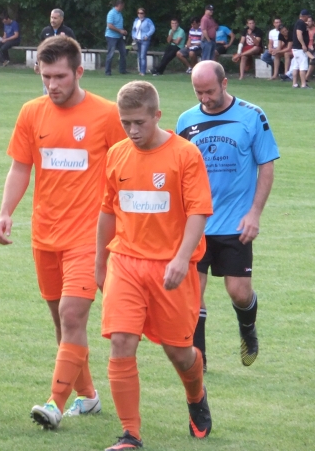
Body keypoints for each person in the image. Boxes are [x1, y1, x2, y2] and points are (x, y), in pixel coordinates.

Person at [0, 35, 125, 431]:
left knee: (71, 314)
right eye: (46, 76)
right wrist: (5, 211)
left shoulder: (107, 115)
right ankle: (88, 396)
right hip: (45, 236)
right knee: (62, 321)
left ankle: (54, 402)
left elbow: (128, 169)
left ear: (79, 72)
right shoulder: (31, 113)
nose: (52, 85)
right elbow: (21, 166)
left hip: (89, 238)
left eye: (60, 77)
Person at [97, 80, 213, 451]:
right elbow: (107, 210)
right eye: (125, 123)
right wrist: (101, 261)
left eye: (139, 123)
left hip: (171, 269)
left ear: (157, 115)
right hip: (126, 262)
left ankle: (195, 395)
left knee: (180, 352)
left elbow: (198, 212)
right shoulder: (116, 155)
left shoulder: (185, 154)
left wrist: (181, 258)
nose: (132, 131)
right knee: (121, 341)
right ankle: (130, 435)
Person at [177, 60, 280, 373]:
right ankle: (199, 363)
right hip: (196, 223)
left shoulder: (252, 116)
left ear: (224, 83)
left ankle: (247, 328)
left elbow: (266, 166)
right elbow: (179, 171)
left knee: (239, 292)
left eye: (210, 91)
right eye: (198, 92)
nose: (205, 98)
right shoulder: (186, 121)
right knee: (193, 295)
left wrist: (254, 213)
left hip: (236, 222)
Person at [290, 9, 314, 88]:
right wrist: (303, 45)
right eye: (307, 16)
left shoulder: (299, 22)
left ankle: (295, 83)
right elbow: (299, 34)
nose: (308, 18)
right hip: (300, 48)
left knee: (296, 66)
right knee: (302, 66)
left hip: (295, 48)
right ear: (305, 16)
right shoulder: (301, 23)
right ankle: (303, 84)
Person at [104, 0, 128, 76]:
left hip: (119, 36)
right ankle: (107, 71)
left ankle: (122, 70)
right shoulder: (111, 13)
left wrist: (123, 30)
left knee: (123, 52)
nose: (123, 7)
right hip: (111, 36)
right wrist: (120, 31)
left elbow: (118, 25)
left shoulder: (119, 14)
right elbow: (110, 25)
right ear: (119, 5)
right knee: (111, 53)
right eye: (122, 6)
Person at [131, 7, 154, 75]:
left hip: (144, 40)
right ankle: (141, 70)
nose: (140, 14)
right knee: (139, 56)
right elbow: (133, 30)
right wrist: (133, 36)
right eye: (138, 13)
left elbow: (152, 29)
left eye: (141, 13)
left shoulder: (148, 20)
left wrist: (147, 35)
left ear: (144, 14)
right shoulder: (136, 21)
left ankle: (143, 71)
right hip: (137, 40)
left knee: (142, 55)